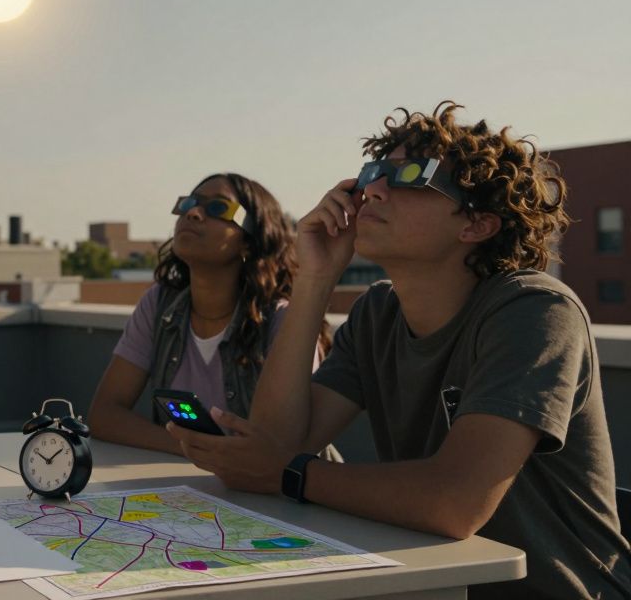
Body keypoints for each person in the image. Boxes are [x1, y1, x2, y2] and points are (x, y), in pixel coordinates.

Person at [166, 102, 631, 598]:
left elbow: (454, 503)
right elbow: (277, 440)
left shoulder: (535, 311)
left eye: (411, 175)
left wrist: (287, 473)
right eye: (374, 172)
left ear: (476, 224)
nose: (373, 190)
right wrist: (315, 279)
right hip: (437, 586)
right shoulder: (378, 313)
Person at [90, 173, 329, 456]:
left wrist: (210, 456)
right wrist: (196, 451)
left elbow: (287, 447)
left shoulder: (282, 320)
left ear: (249, 241)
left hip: (272, 497)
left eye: (218, 208)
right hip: (188, 492)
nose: (192, 213)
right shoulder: (159, 305)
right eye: (189, 203)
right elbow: (104, 415)